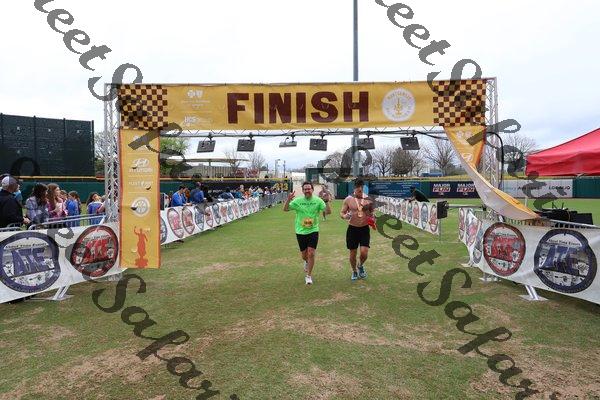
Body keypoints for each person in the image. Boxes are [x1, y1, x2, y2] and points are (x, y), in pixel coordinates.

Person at [283, 181, 331, 285]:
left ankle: (308, 276)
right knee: (304, 255)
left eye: (309, 189)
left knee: (311, 253)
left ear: (312, 190)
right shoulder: (298, 201)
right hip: (300, 231)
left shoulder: (318, 201)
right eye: (305, 189)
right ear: (303, 190)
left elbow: (328, 212)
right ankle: (306, 261)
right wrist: (288, 199)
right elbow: (285, 209)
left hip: (313, 230)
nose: (307, 191)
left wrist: (327, 201)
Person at [340, 179, 374, 281]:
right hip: (352, 229)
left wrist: (373, 218)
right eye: (358, 190)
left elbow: (372, 213)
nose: (360, 191)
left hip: (364, 229)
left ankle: (360, 265)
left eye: (362, 189)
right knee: (353, 253)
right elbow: (342, 213)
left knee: (364, 252)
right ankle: (354, 271)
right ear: (354, 188)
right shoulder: (348, 199)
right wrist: (345, 216)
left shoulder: (368, 199)